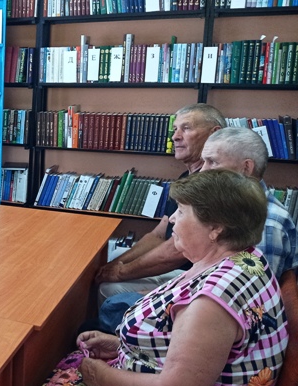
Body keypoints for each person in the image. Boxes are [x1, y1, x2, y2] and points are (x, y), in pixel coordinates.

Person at [24, 169, 287, 386]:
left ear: (216, 228)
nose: (172, 218)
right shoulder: (244, 259)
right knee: (72, 362)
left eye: (182, 212)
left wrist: (101, 377)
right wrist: (120, 346)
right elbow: (191, 349)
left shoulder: (212, 302)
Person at [99, 127, 297, 331]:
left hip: (212, 313)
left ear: (246, 168)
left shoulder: (267, 224)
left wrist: (159, 299)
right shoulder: (229, 204)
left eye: (212, 162)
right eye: (203, 162)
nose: (202, 171)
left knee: (113, 303)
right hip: (200, 289)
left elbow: (248, 303)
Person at [95, 103, 225, 302]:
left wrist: (121, 272)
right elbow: (158, 234)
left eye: (186, 128)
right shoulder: (185, 178)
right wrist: (115, 264)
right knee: (111, 260)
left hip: (195, 276)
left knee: (109, 287)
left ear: (214, 134)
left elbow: (177, 251)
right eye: (175, 129)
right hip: (176, 268)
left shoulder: (211, 184)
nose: (175, 137)